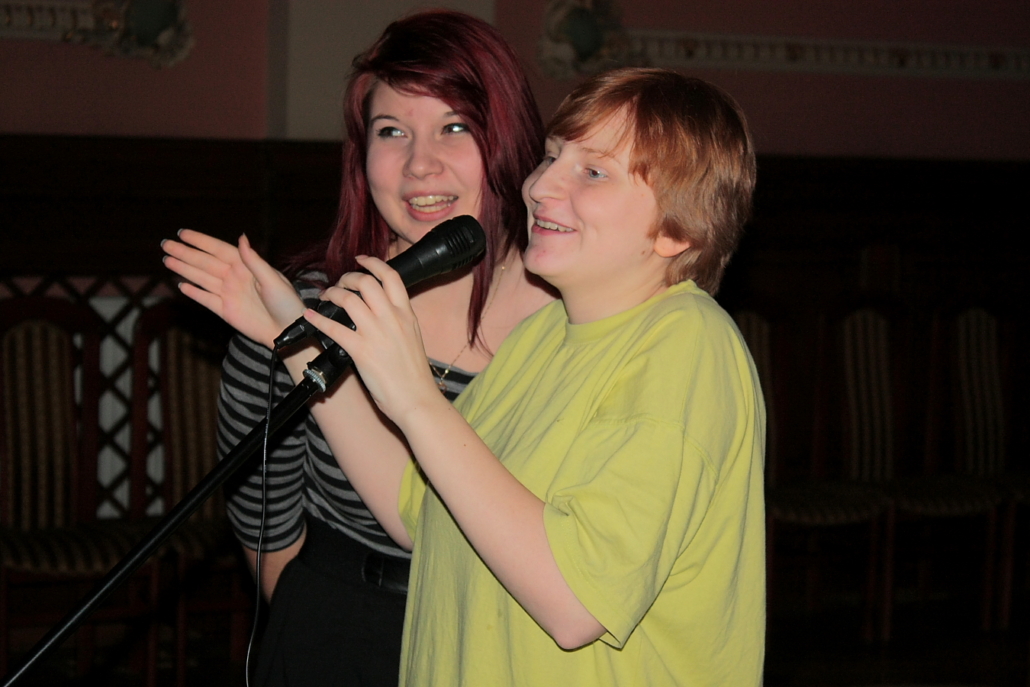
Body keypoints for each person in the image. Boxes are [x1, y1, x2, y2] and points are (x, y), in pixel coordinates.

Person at [306, 67, 766, 686]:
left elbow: (575, 603)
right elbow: (418, 511)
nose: (540, 186)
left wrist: (416, 398)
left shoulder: (686, 348)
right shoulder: (543, 335)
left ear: (676, 230)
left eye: (593, 172)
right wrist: (294, 339)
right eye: (551, 157)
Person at [160, 10, 554, 686]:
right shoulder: (293, 310)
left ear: (510, 138)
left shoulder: (576, 321)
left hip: (507, 639)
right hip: (340, 629)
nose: (420, 164)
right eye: (391, 131)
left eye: (455, 127)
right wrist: (318, 629)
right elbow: (264, 518)